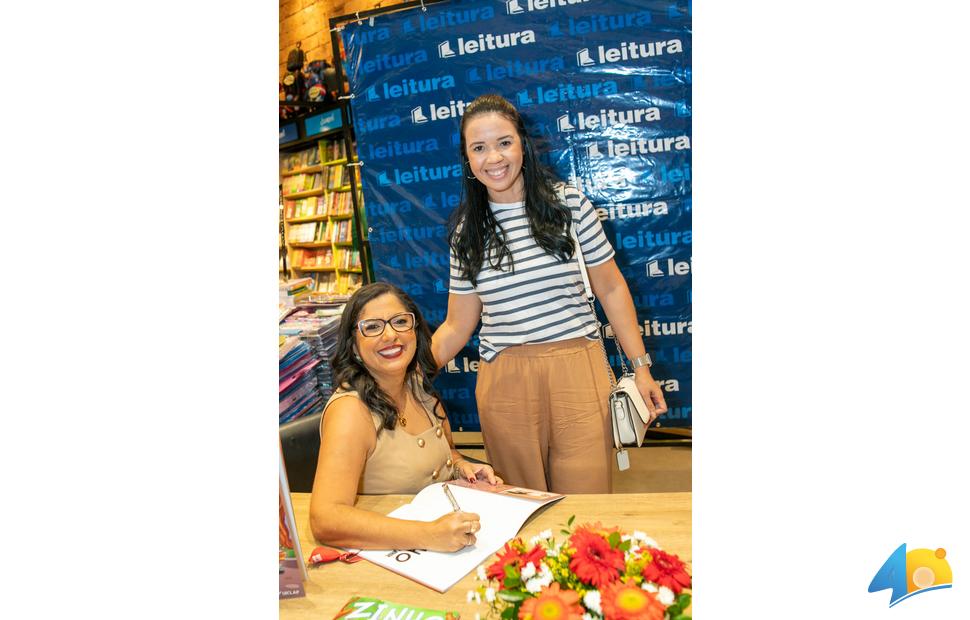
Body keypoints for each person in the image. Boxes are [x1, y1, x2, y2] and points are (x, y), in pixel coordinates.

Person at [431, 94, 668, 494]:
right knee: (521, 507)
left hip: (577, 370)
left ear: (522, 142)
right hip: (505, 382)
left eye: (504, 142)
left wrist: (641, 367)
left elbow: (610, 288)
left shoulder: (570, 206)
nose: (494, 158)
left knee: (586, 504)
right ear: (467, 159)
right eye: (479, 147)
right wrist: (407, 376)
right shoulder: (465, 232)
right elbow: (457, 324)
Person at [309, 283, 501, 552]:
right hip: (391, 556)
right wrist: (428, 535)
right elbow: (325, 519)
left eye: (401, 322)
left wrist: (461, 468)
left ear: (415, 331)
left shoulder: (418, 385)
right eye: (373, 327)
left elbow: (450, 452)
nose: (390, 335)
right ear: (353, 345)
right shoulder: (350, 412)